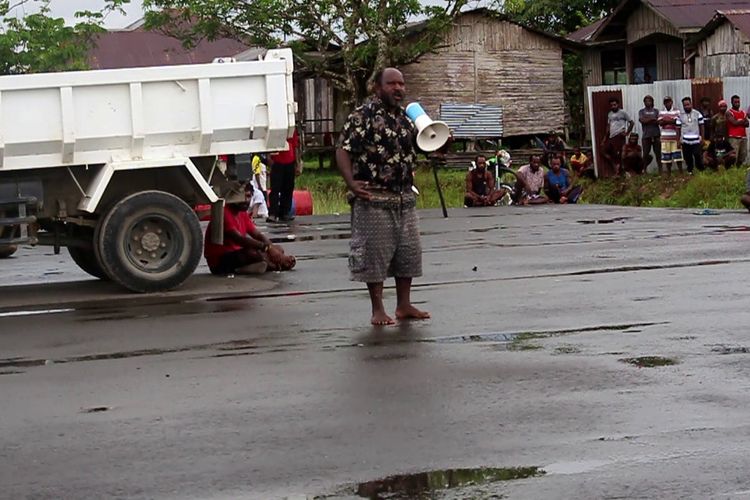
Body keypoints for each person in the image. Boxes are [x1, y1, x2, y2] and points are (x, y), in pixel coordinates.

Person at [335, 67, 433, 326]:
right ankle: (377, 308)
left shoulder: (406, 119)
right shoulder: (362, 116)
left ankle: (403, 304)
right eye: (392, 84)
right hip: (373, 198)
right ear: (377, 87)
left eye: (401, 84)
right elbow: (343, 150)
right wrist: (351, 183)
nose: (398, 88)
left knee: (408, 253)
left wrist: (440, 141)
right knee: (374, 255)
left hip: (404, 197)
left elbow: (426, 145)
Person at [204, 184, 296, 276]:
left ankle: (266, 264)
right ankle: (275, 266)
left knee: (279, 249)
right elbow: (240, 240)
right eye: (243, 196)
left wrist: (272, 249)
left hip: (238, 254)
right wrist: (267, 248)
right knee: (253, 253)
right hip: (219, 261)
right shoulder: (224, 213)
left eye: (248, 196)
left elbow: (257, 235)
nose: (246, 200)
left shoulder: (242, 213)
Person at [267, 128, 301, 223]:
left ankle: (285, 212)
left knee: (288, 188)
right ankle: (273, 213)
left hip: (290, 161)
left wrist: (297, 162)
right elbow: (270, 142)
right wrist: (269, 157)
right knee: (275, 188)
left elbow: (295, 146)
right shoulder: (276, 127)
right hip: (277, 161)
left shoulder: (292, 129)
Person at [601, 97, 634, 176]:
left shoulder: (623, 113)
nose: (613, 106)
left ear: (618, 104)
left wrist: (627, 133)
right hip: (612, 136)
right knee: (604, 150)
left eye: (614, 105)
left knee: (618, 154)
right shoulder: (610, 114)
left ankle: (619, 172)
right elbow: (608, 126)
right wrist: (605, 138)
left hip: (619, 136)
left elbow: (631, 123)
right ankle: (615, 167)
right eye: (611, 105)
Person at [678, 97, 705, 173]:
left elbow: (702, 126)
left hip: (696, 140)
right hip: (685, 140)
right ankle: (690, 170)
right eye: (685, 105)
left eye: (688, 104)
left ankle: (700, 169)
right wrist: (678, 140)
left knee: (697, 154)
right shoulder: (680, 115)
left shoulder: (697, 114)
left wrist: (702, 138)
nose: (686, 106)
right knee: (687, 156)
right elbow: (678, 128)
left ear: (691, 104)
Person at [658, 96, 682, 174]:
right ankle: (668, 173)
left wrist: (666, 120)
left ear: (671, 102)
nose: (667, 103)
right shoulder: (661, 112)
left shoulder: (677, 111)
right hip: (665, 137)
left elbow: (678, 122)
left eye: (669, 101)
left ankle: (680, 172)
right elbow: (660, 123)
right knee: (666, 157)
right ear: (664, 103)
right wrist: (672, 120)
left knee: (678, 156)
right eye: (666, 102)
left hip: (675, 137)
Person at [639, 95, 660, 173]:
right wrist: (652, 119)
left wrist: (647, 119)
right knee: (645, 154)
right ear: (644, 102)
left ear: (652, 102)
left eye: (649, 101)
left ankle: (660, 170)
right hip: (646, 135)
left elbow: (658, 121)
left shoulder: (656, 111)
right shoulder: (641, 111)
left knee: (658, 153)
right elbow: (642, 121)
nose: (648, 102)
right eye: (646, 101)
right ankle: (644, 170)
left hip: (656, 134)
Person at [726, 95, 748, 166]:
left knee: (743, 155)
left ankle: (739, 170)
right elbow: (734, 123)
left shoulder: (743, 112)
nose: (737, 104)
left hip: (743, 137)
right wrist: (742, 121)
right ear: (732, 103)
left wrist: (738, 121)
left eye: (738, 102)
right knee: (734, 156)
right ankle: (733, 170)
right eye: (735, 102)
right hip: (733, 137)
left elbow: (747, 124)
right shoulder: (729, 112)